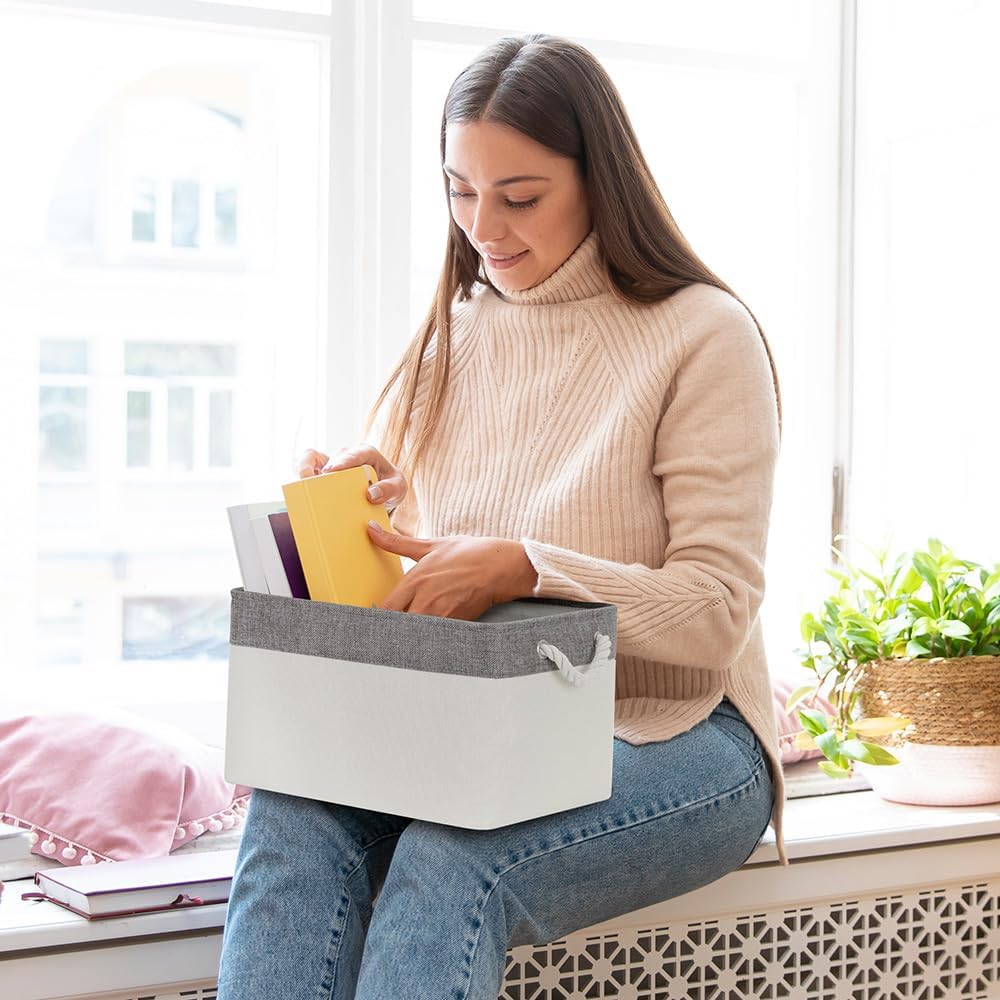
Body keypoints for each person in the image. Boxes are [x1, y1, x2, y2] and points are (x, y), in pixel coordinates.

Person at [217, 32, 785, 1000]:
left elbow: (715, 612)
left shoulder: (702, 334)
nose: (483, 226)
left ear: (599, 179)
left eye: (520, 196)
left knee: (453, 855)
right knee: (291, 810)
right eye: (460, 190)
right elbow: (444, 582)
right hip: (486, 724)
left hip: (682, 732)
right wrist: (376, 509)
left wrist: (526, 566)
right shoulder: (452, 334)